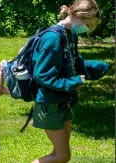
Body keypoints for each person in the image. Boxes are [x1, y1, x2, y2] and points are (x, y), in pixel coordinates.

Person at [31, 0, 101, 162]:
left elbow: (73, 62)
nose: (88, 28)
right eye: (87, 23)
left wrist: (93, 68)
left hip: (63, 100)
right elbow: (42, 75)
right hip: (49, 102)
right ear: (75, 15)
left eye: (91, 25)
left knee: (59, 154)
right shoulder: (52, 39)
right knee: (62, 156)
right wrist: (73, 83)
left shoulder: (70, 34)